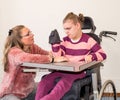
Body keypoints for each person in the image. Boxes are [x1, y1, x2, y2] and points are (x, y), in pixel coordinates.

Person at [35, 12, 107, 100]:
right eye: (64, 29)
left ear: (77, 25)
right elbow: (58, 57)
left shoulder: (88, 40)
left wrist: (92, 56)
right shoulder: (65, 41)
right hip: (63, 70)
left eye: (68, 28)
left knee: (61, 86)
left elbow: (103, 54)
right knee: (44, 81)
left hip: (78, 72)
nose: (66, 31)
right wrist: (55, 44)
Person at [0, 25, 67, 100]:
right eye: (28, 34)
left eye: (30, 32)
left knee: (52, 90)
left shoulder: (32, 47)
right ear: (19, 40)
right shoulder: (13, 52)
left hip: (28, 89)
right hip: (11, 93)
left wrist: (58, 50)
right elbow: (26, 58)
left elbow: (47, 54)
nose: (32, 34)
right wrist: (51, 60)